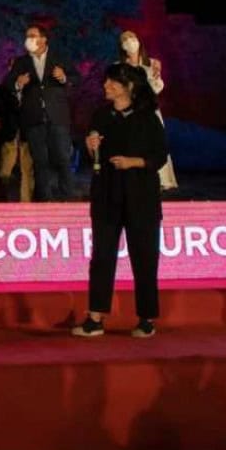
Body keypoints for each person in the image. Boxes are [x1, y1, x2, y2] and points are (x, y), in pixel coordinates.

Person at [73, 63, 168, 338]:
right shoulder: (102, 115)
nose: (106, 86)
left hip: (141, 195)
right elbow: (94, 153)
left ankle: (146, 318)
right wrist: (91, 147)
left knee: (144, 257)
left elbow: (160, 155)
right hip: (106, 193)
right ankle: (95, 317)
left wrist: (133, 162)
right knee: (102, 256)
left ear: (128, 87)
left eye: (112, 82)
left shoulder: (148, 117)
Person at [4, 24, 81, 201]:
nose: (29, 39)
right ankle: (46, 202)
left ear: (44, 39)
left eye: (33, 35)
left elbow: (76, 78)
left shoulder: (58, 58)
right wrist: (18, 83)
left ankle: (68, 200)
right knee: (40, 162)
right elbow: (8, 83)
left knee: (62, 158)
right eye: (27, 36)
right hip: (33, 118)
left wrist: (64, 77)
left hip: (58, 116)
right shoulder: (21, 62)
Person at [118, 31, 177, 190]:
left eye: (132, 38)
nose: (129, 42)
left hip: (149, 110)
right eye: (125, 40)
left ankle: (161, 179)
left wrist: (155, 79)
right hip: (130, 112)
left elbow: (158, 87)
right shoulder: (120, 67)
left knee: (155, 143)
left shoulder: (151, 64)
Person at [0, 59, 34, 202]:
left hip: (26, 135)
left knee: (27, 171)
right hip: (9, 134)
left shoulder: (32, 89)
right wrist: (15, 94)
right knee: (4, 172)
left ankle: (26, 204)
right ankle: (1, 202)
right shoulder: (3, 88)